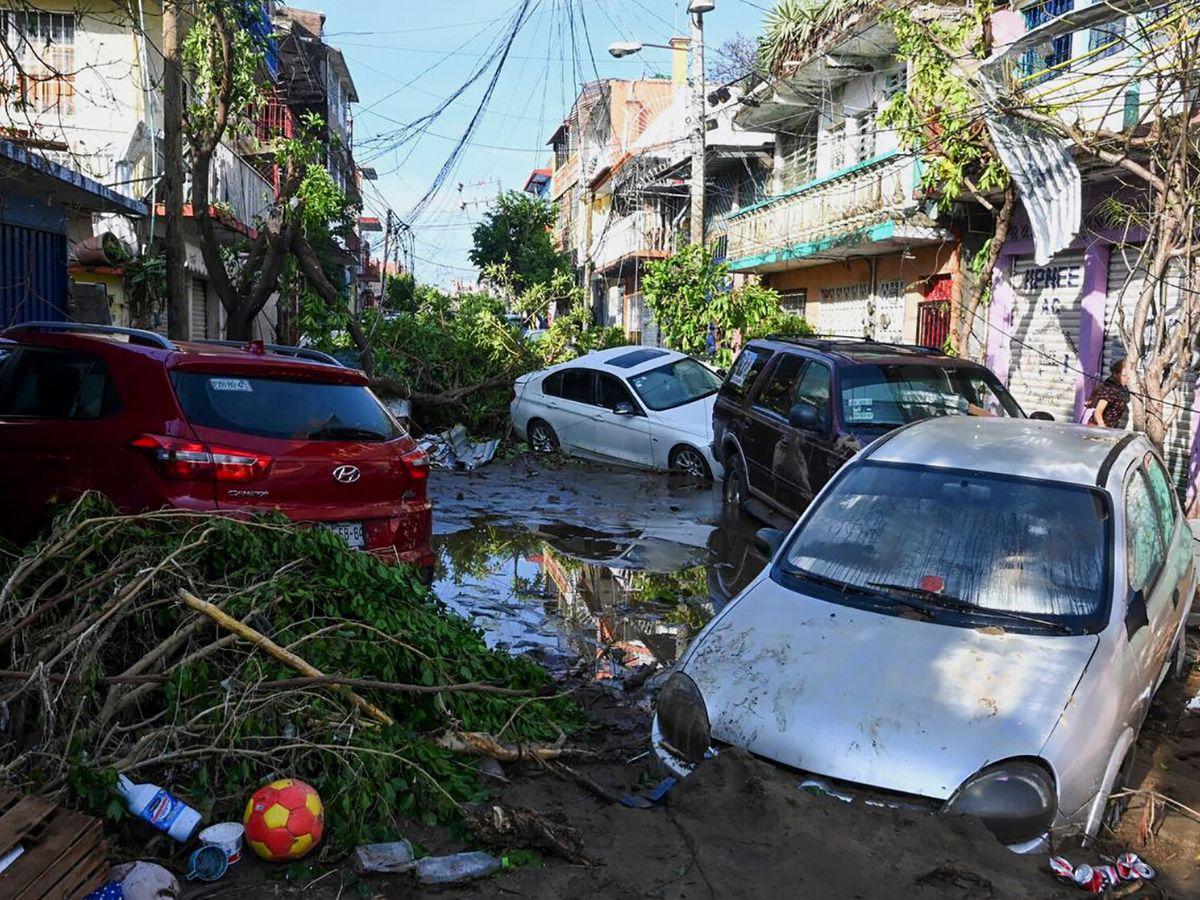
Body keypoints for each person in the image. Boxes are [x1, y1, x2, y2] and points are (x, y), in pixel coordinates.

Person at [1085, 358, 1133, 428]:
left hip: (1110, 429)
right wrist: (1102, 427)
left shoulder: (1120, 388)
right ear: (1117, 374)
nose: (1127, 379)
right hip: (1096, 428)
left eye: (1129, 376)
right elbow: (1098, 412)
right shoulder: (1110, 388)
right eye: (1124, 375)